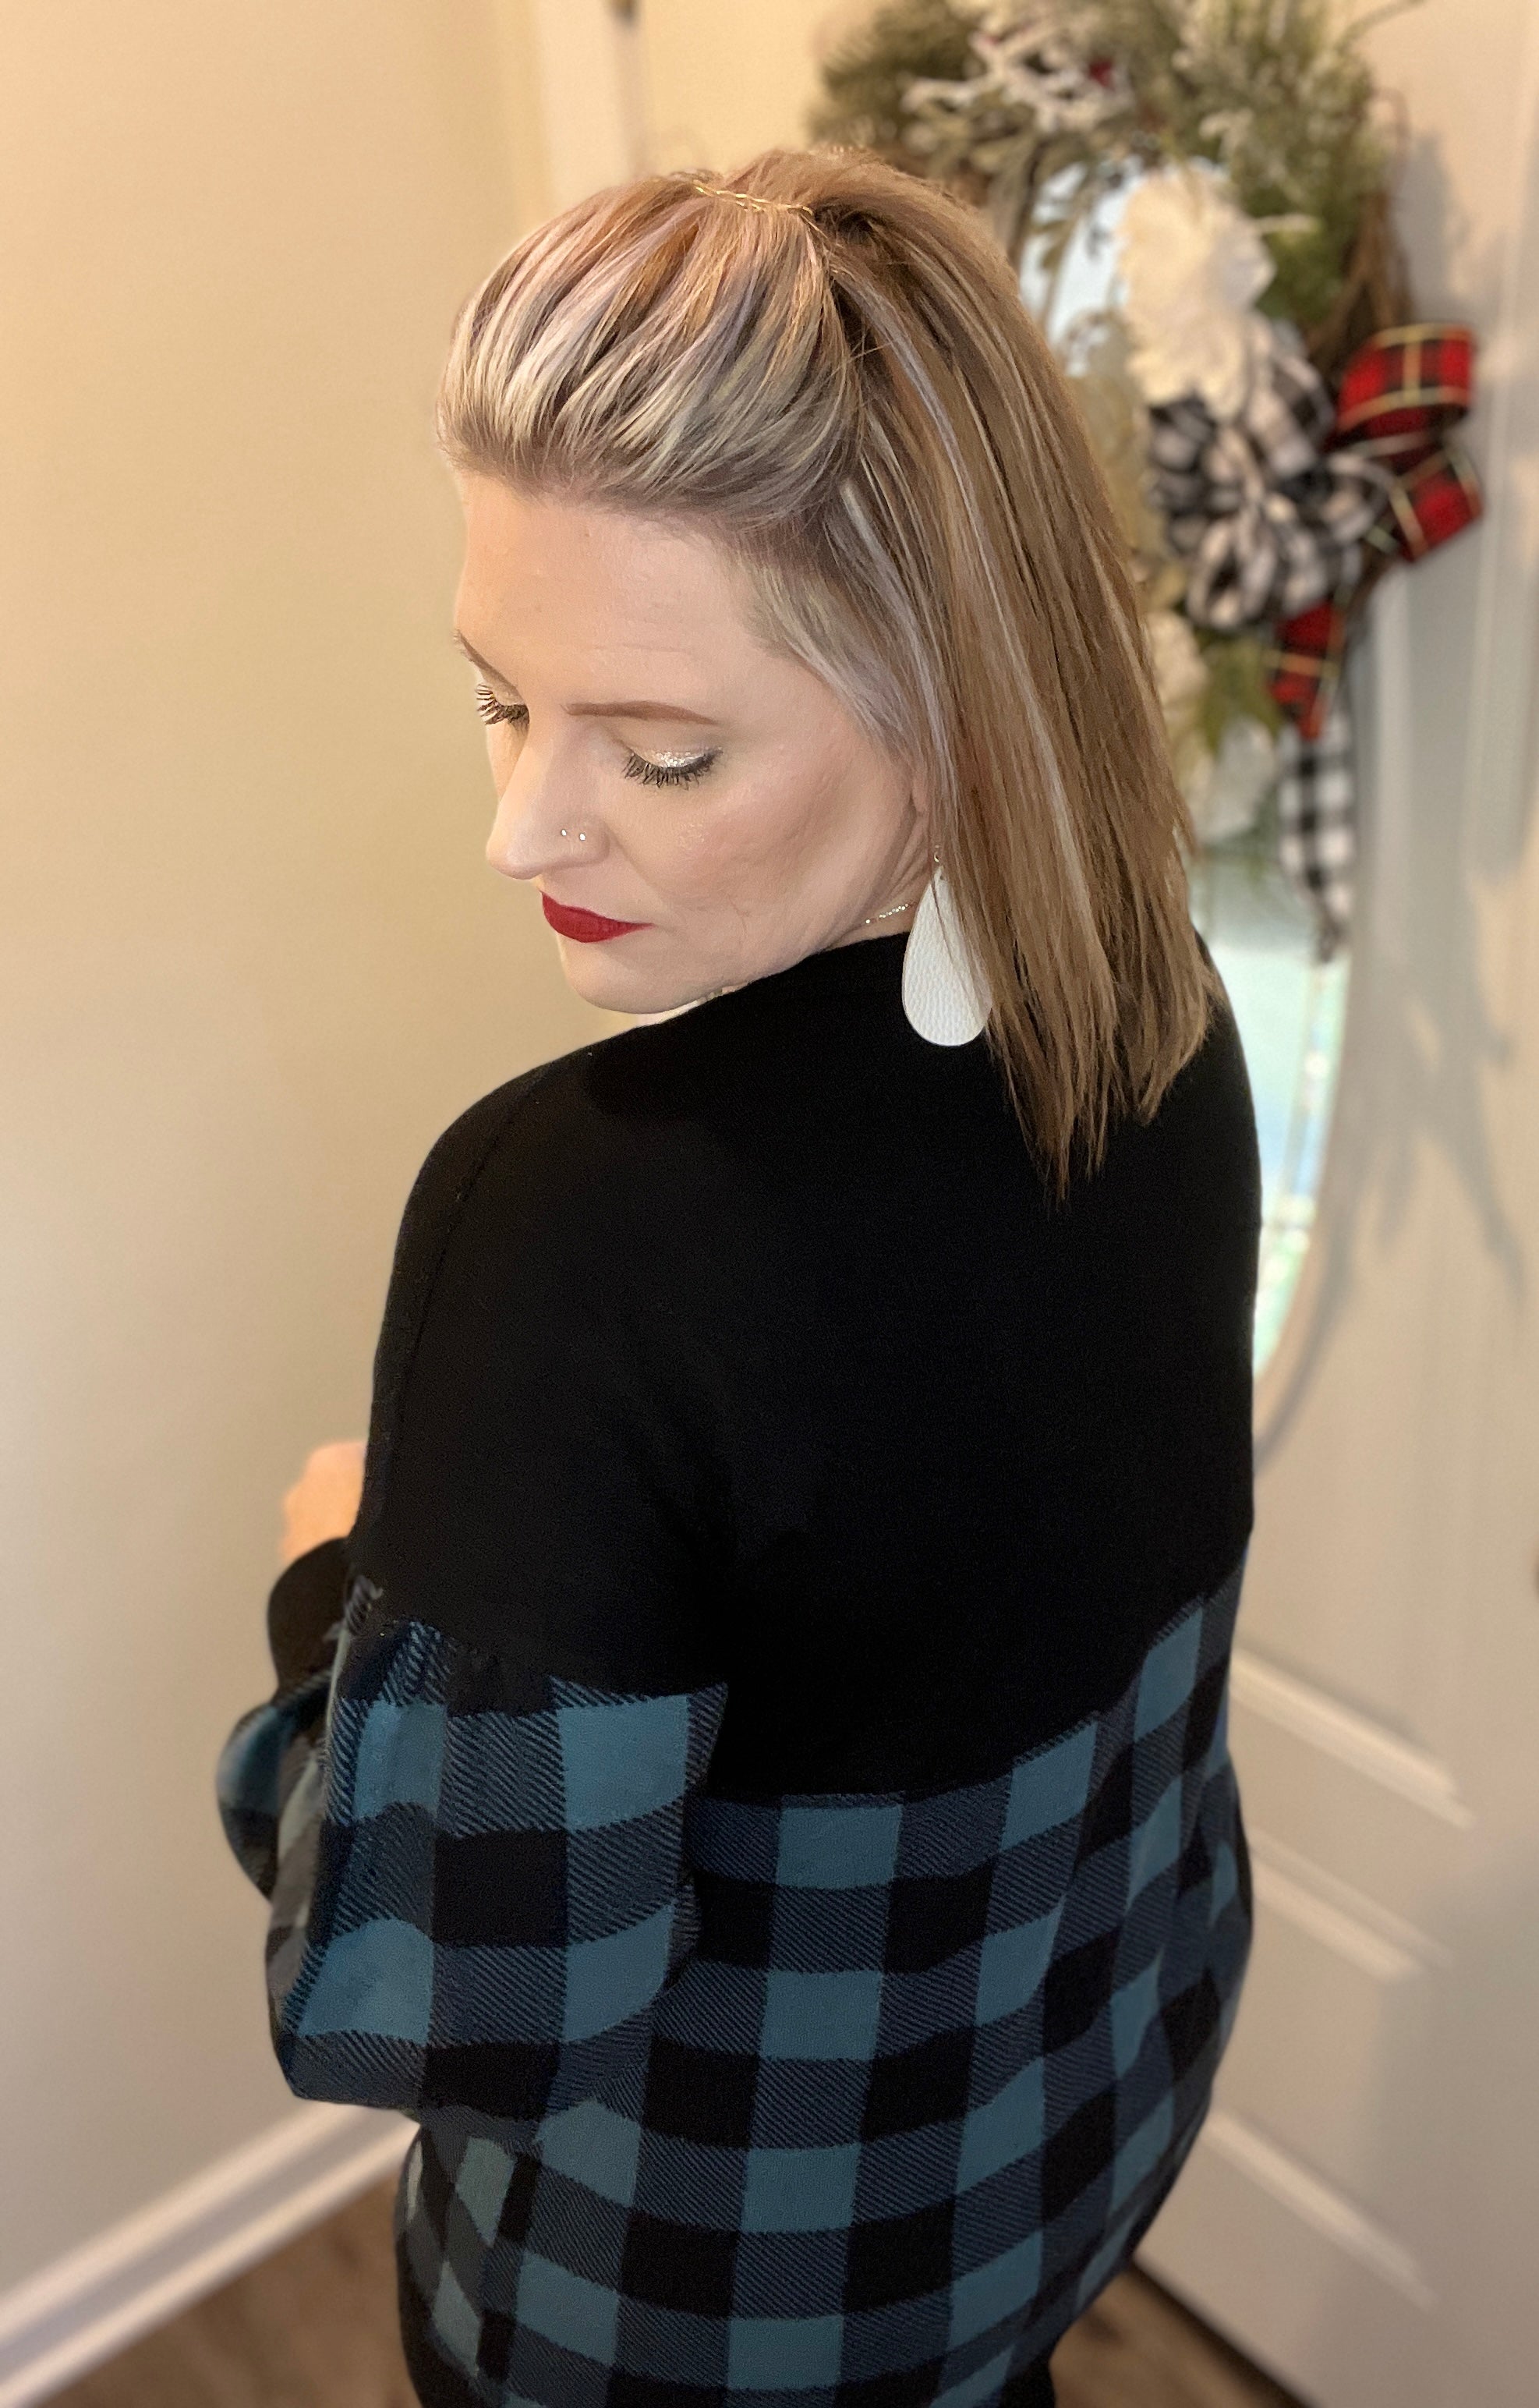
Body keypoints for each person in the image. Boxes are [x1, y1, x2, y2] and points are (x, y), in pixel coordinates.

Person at [217, 147, 1260, 2408]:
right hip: (1063, 2166)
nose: (522, 828)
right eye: (502, 702)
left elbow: (454, 2005)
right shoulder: (1163, 1011)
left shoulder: (577, 1227)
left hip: (708, 2324)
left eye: (664, 752)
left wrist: (326, 1595)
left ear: (957, 701)